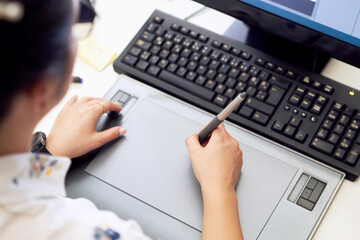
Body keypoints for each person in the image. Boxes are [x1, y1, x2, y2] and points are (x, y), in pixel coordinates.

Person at [0, 0, 244, 239]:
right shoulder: (88, 231)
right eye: (75, 27)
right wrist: (219, 190)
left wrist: (49, 154)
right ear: (42, 88)